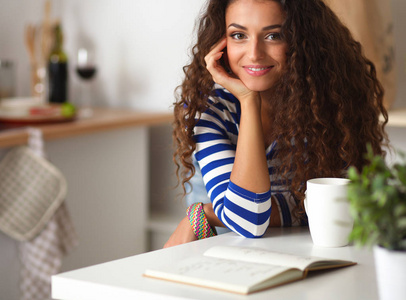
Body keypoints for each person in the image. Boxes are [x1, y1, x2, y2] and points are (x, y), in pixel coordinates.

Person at [164, 0, 388, 248]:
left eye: (273, 35)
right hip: (218, 258)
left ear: (302, 40)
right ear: (220, 44)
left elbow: (345, 204)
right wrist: (249, 101)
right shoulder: (208, 110)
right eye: (239, 35)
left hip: (300, 259)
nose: (254, 53)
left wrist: (208, 213)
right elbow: (248, 221)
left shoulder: (330, 106)